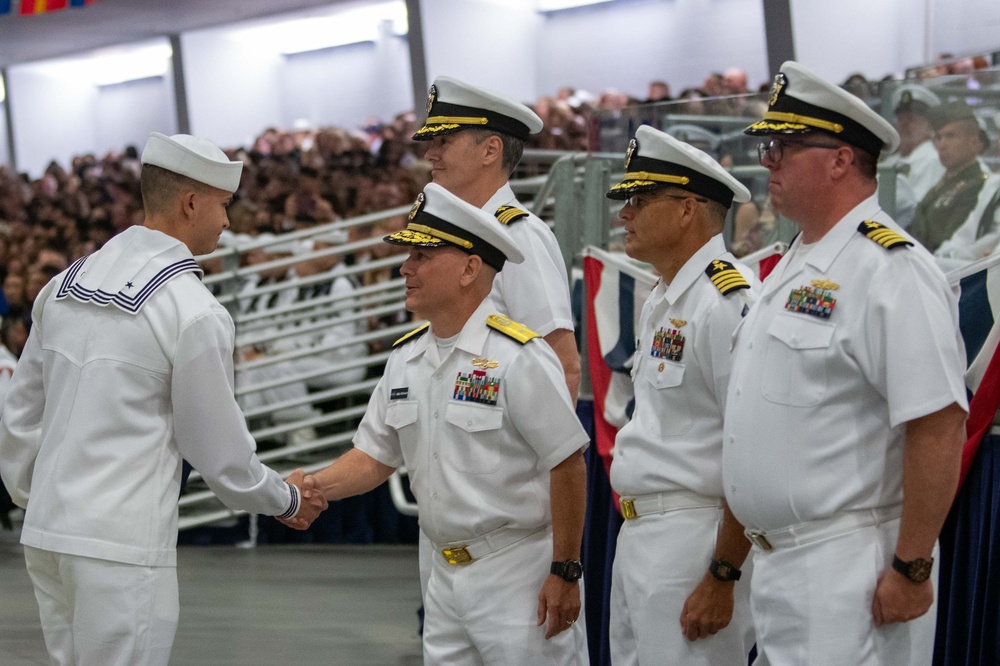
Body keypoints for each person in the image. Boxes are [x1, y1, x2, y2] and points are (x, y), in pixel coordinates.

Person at [0, 132, 327, 666]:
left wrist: (36, 498)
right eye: (223, 205)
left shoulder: (60, 285)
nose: (227, 221)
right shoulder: (191, 309)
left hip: (48, 533)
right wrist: (283, 499)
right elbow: (220, 453)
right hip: (121, 543)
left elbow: (19, 416)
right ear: (191, 202)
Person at [727, 61, 968, 665]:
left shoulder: (893, 271)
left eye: (783, 146)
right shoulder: (789, 265)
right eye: (766, 145)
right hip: (780, 566)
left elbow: (937, 424)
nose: (767, 161)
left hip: (847, 567)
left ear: (840, 159)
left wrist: (912, 566)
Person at [308, 182, 590, 665]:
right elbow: (374, 457)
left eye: (422, 255)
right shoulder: (407, 358)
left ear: (469, 268)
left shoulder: (517, 357)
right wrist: (312, 486)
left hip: (517, 571)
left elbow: (567, 463)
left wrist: (565, 570)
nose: (405, 268)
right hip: (442, 575)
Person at [606, 125, 756, 664]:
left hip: (696, 539)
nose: (625, 213)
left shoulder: (726, 301)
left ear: (688, 208)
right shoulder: (663, 299)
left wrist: (724, 572)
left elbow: (749, 446)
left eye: (639, 200)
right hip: (642, 534)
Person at [411, 76, 580, 402]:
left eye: (443, 141)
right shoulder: (457, 233)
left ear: (490, 150)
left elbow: (563, 365)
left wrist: (538, 454)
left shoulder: (518, 236)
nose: (430, 153)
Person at [908, 100, 990, 252]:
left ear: (974, 143)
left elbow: (949, 242)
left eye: (951, 136)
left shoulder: (976, 185)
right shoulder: (943, 183)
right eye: (938, 138)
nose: (942, 145)